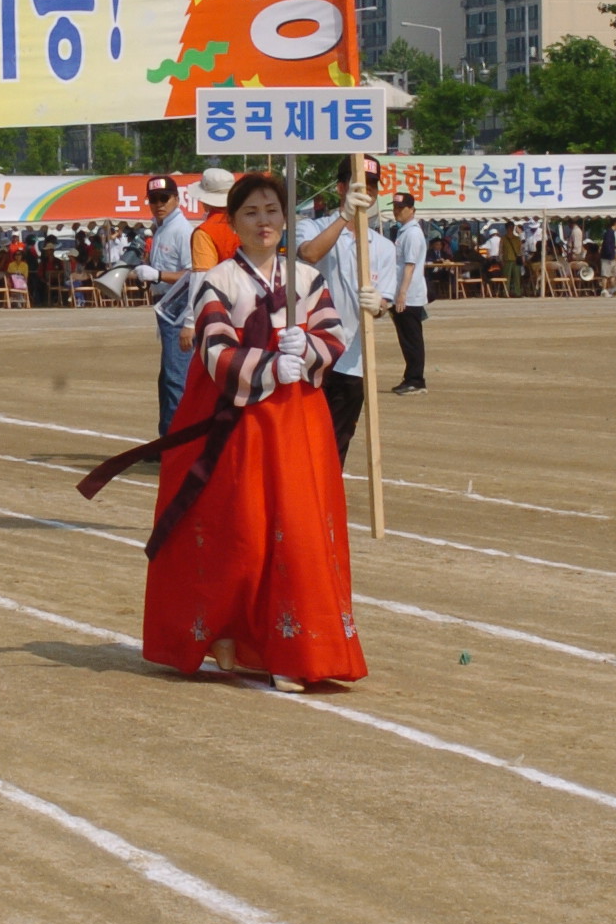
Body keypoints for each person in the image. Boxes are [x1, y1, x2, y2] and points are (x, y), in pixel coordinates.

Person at [81, 169, 364, 694]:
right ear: (232, 221)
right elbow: (213, 347)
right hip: (242, 425)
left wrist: (309, 357)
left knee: (297, 530)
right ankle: (225, 630)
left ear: (286, 220)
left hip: (298, 422)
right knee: (243, 530)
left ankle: (294, 647)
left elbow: (333, 334)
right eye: (251, 213)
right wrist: (266, 365)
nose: (264, 222)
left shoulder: (305, 279)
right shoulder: (219, 280)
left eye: (273, 212)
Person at [293, 157, 393, 462]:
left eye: (372, 188)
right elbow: (309, 253)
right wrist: (344, 217)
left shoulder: (383, 247)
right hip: (309, 353)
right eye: (358, 186)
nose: (367, 194)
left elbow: (384, 303)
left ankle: (327, 505)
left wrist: (380, 306)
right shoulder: (311, 226)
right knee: (301, 439)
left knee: (336, 443)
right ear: (340, 188)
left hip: (353, 359)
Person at [140, 175, 196, 430]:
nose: (158, 203)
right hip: (166, 305)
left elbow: (195, 272)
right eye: (153, 199)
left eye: (164, 198)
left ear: (176, 198)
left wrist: (159, 275)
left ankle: (175, 443)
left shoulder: (182, 230)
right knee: (168, 377)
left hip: (178, 307)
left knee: (176, 378)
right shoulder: (162, 228)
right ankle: (167, 436)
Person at [389, 192, 429, 394]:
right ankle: (411, 376)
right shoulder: (403, 231)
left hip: (409, 295)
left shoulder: (412, 233)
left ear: (412, 210)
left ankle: (416, 379)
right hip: (404, 292)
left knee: (411, 338)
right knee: (406, 337)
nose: (397, 211)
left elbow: (410, 266)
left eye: (401, 208)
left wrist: (402, 294)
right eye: (395, 207)